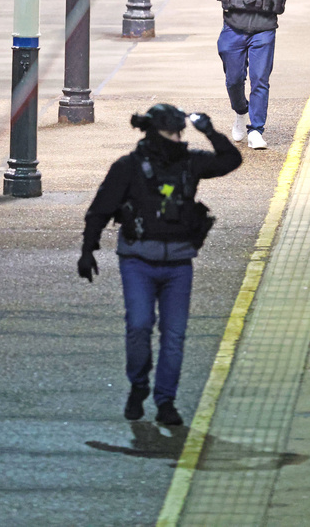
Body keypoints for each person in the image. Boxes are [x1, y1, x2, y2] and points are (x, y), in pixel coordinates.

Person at [77, 104, 242, 426]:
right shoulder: (128, 167)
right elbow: (100, 209)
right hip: (137, 261)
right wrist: (88, 250)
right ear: (154, 132)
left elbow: (231, 161)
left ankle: (166, 400)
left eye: (181, 132)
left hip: (179, 263)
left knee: (174, 335)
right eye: (171, 132)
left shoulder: (190, 163)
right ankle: (139, 386)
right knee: (139, 326)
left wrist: (209, 132)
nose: (177, 138)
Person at [204, 0, 309, 150]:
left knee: (260, 80)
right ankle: (241, 112)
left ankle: (256, 129)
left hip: (264, 28)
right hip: (233, 27)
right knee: (234, 80)